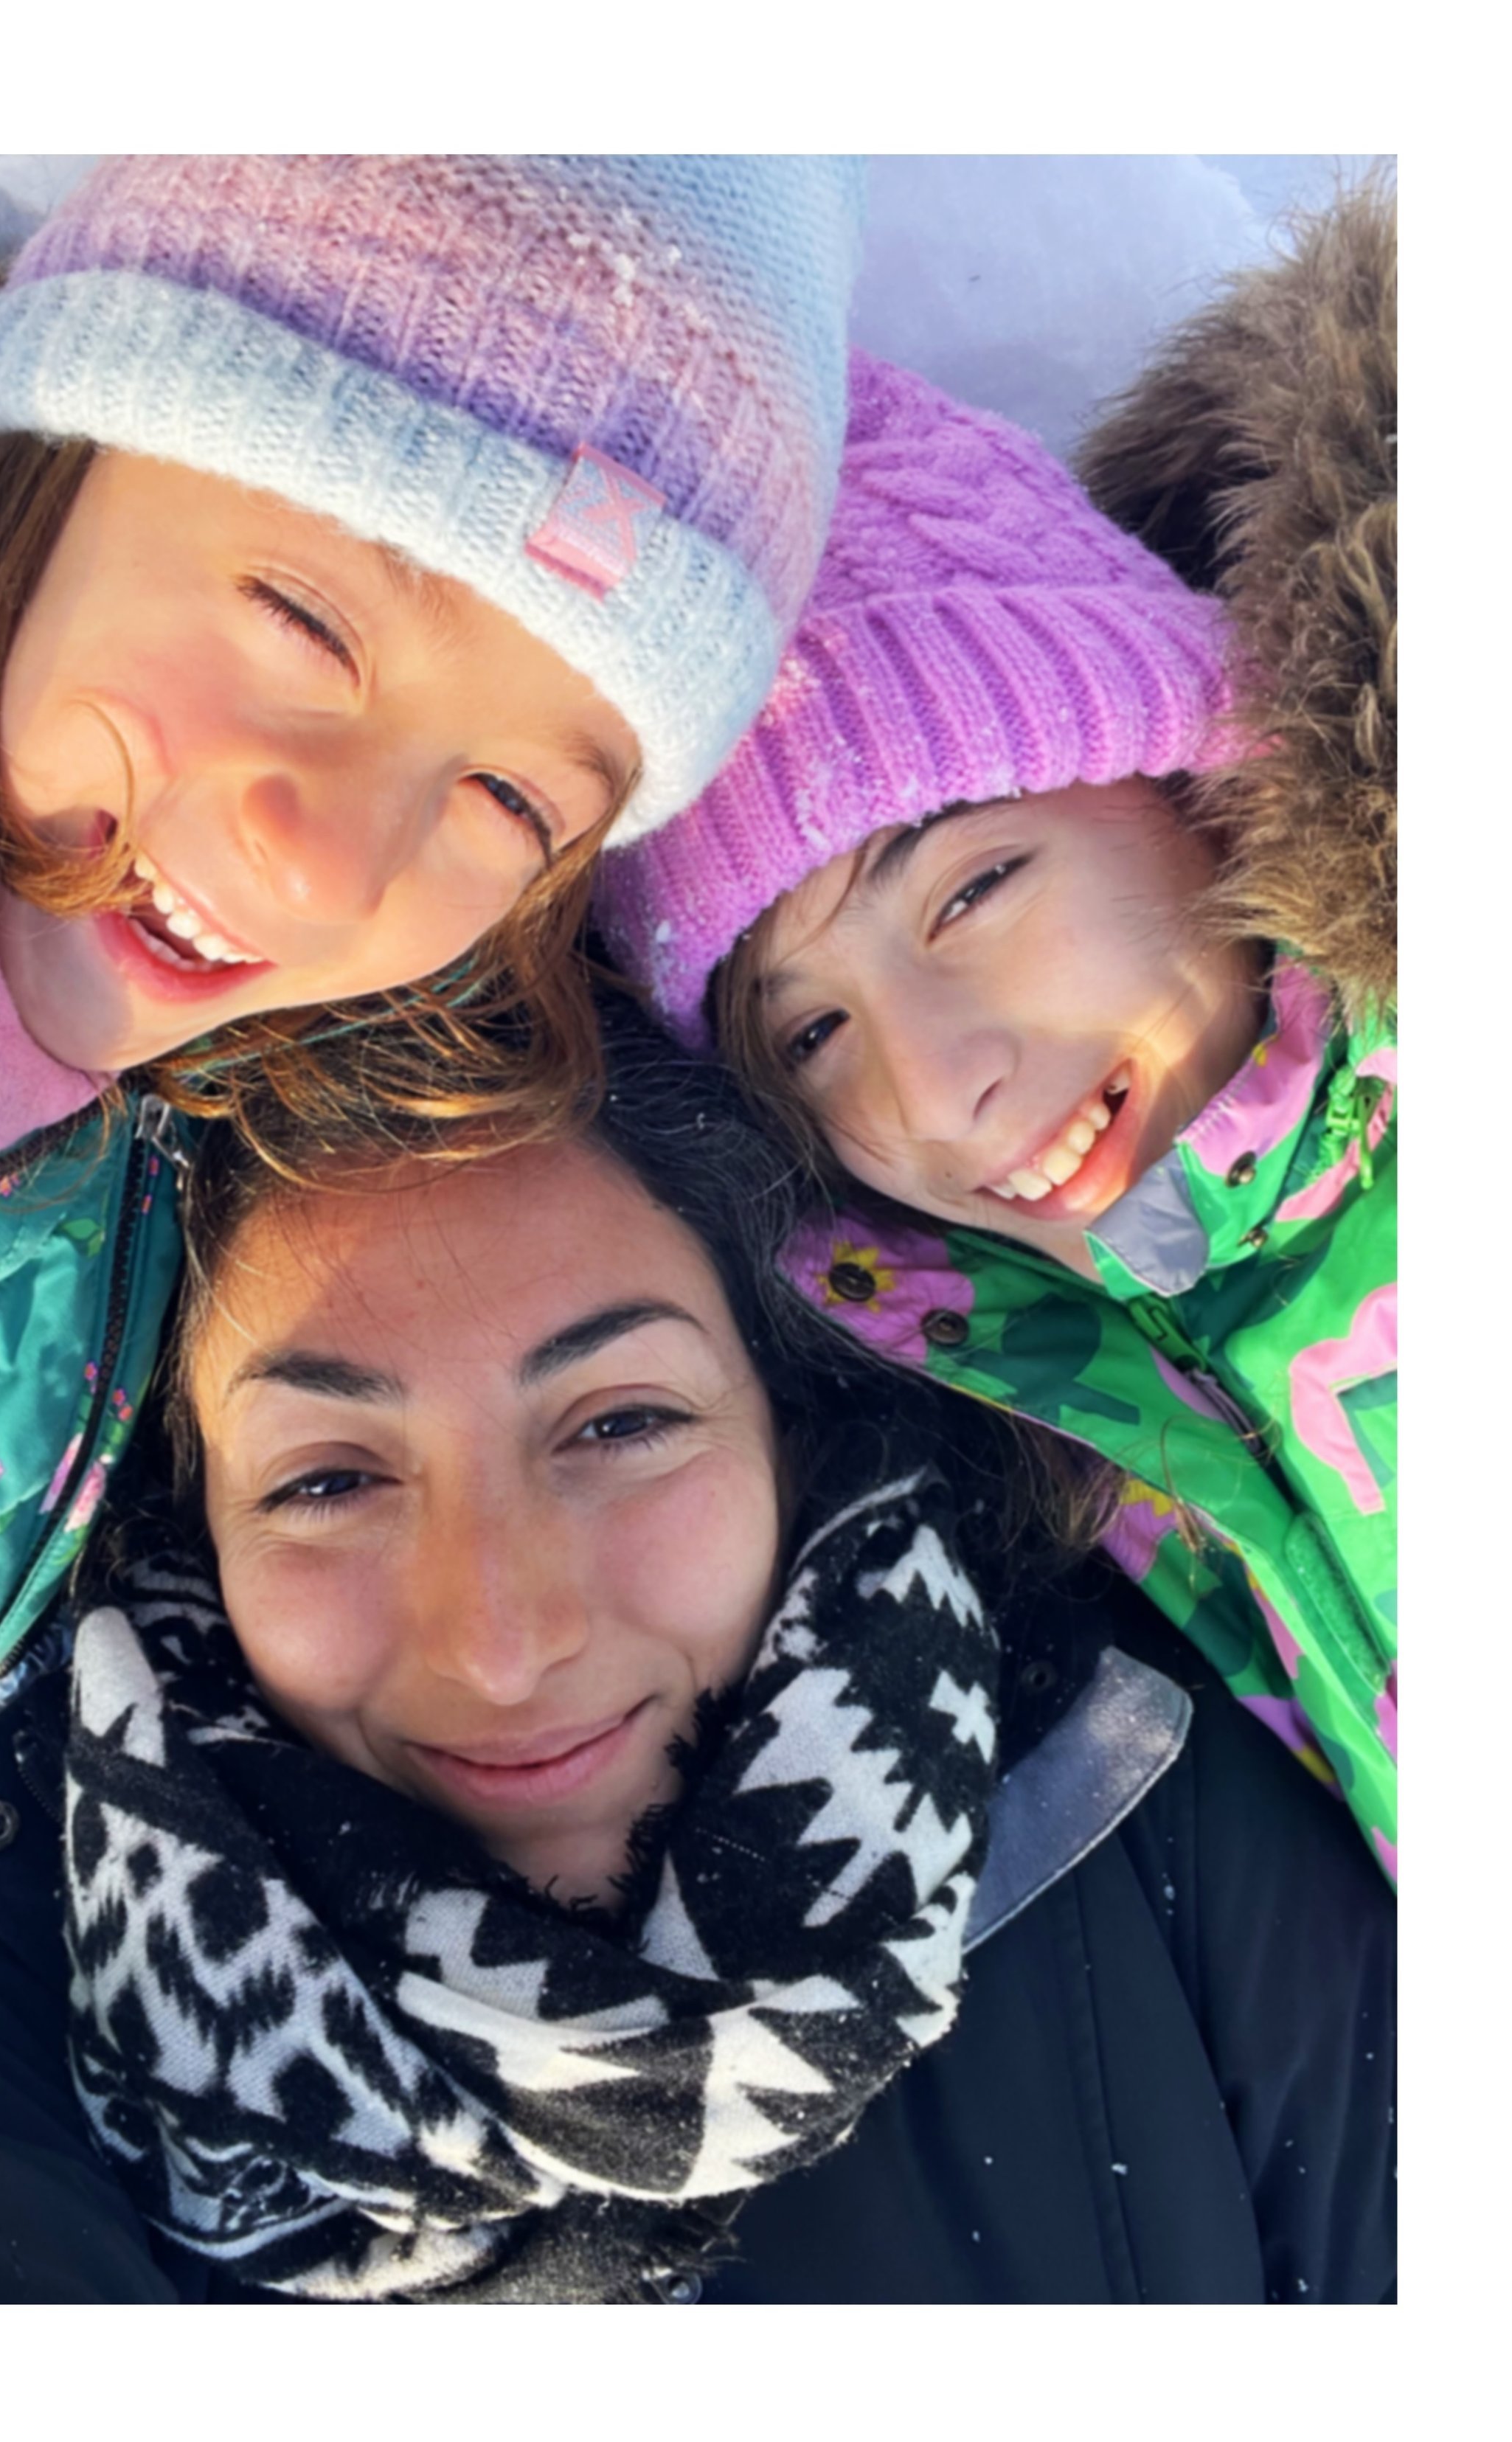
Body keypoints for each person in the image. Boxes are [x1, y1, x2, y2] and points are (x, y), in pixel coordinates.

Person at [0, 997, 1395, 2303]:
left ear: (789, 1415)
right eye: (327, 1478)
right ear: (191, 1519)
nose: (499, 1640)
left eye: (620, 1421)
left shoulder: (1137, 1780)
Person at [0, 154, 867, 1973]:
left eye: (514, 797)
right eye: (302, 622)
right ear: (45, 454)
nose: (327, 864)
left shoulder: (208, 1083)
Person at [595, 186, 1397, 1884]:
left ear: (1194, 765)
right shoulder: (1059, 1383)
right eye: (805, 1031)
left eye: (968, 892)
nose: (934, 1087)